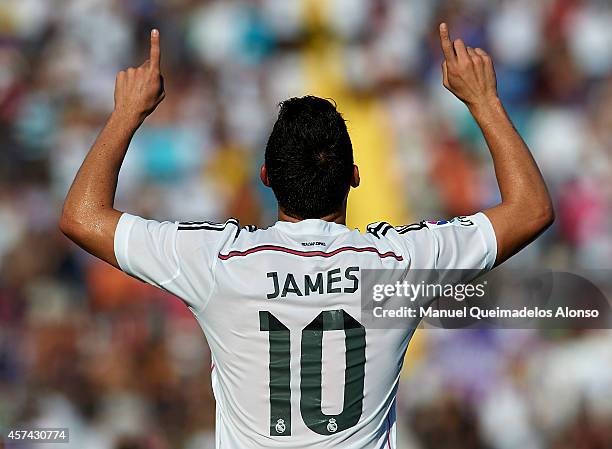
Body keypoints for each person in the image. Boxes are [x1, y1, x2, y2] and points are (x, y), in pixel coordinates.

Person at [60, 24, 553, 449]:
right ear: (355, 176)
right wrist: (484, 100)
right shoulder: (400, 262)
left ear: (266, 176)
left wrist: (127, 112)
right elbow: (530, 209)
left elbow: (82, 217)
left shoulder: (218, 262)